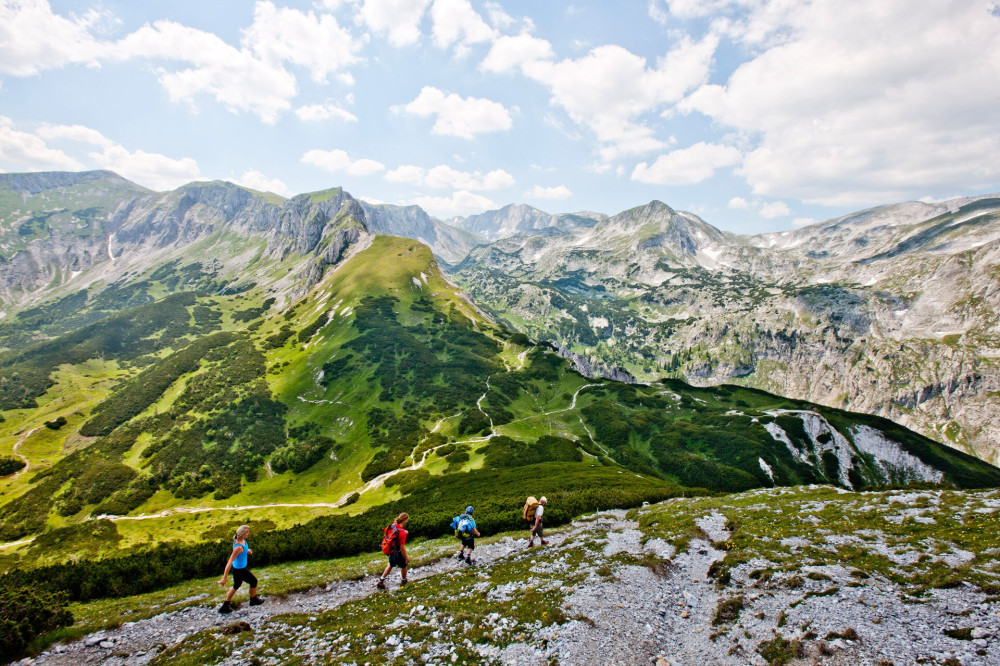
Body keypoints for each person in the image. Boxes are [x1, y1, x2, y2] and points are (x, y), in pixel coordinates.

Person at [219, 524, 264, 613]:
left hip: (238, 568)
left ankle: (225, 605)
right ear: (242, 534)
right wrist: (224, 578)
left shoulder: (241, 540)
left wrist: (248, 551)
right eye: (247, 532)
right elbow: (229, 562)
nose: (248, 533)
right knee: (254, 581)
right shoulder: (238, 547)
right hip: (239, 570)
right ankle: (253, 600)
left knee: (237, 585)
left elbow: (243, 549)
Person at [376, 512, 410, 589]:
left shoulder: (392, 526)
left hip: (390, 549)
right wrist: (407, 558)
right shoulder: (402, 533)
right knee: (404, 565)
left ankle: (380, 581)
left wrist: (405, 532)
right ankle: (404, 581)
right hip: (397, 551)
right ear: (405, 521)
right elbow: (402, 548)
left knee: (391, 564)